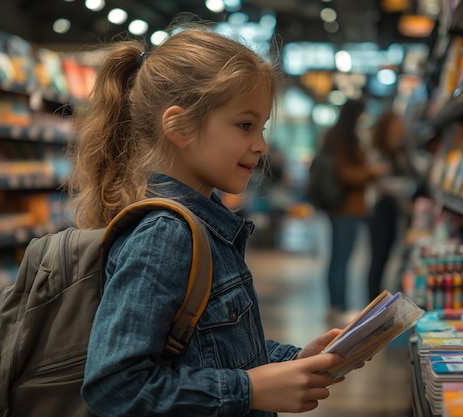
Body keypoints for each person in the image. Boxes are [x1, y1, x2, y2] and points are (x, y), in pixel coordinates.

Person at [68, 26, 349, 417]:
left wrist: (293, 360)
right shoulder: (165, 235)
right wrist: (249, 390)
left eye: (262, 127)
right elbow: (115, 386)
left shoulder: (203, 225)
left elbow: (205, 348)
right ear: (179, 126)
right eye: (245, 125)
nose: (262, 146)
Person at [320, 100, 387, 323]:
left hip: (343, 207)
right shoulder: (343, 138)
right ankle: (340, 305)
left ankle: (336, 305)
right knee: (342, 258)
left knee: (338, 257)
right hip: (345, 206)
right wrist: (371, 171)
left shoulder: (339, 136)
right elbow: (346, 174)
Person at [366, 110, 419, 302]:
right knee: (378, 260)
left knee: (390, 259)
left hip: (396, 209)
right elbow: (382, 183)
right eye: (396, 125)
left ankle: (382, 302)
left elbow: (413, 171)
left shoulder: (399, 150)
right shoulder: (377, 151)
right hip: (380, 209)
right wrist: (407, 187)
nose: (400, 128)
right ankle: (372, 303)